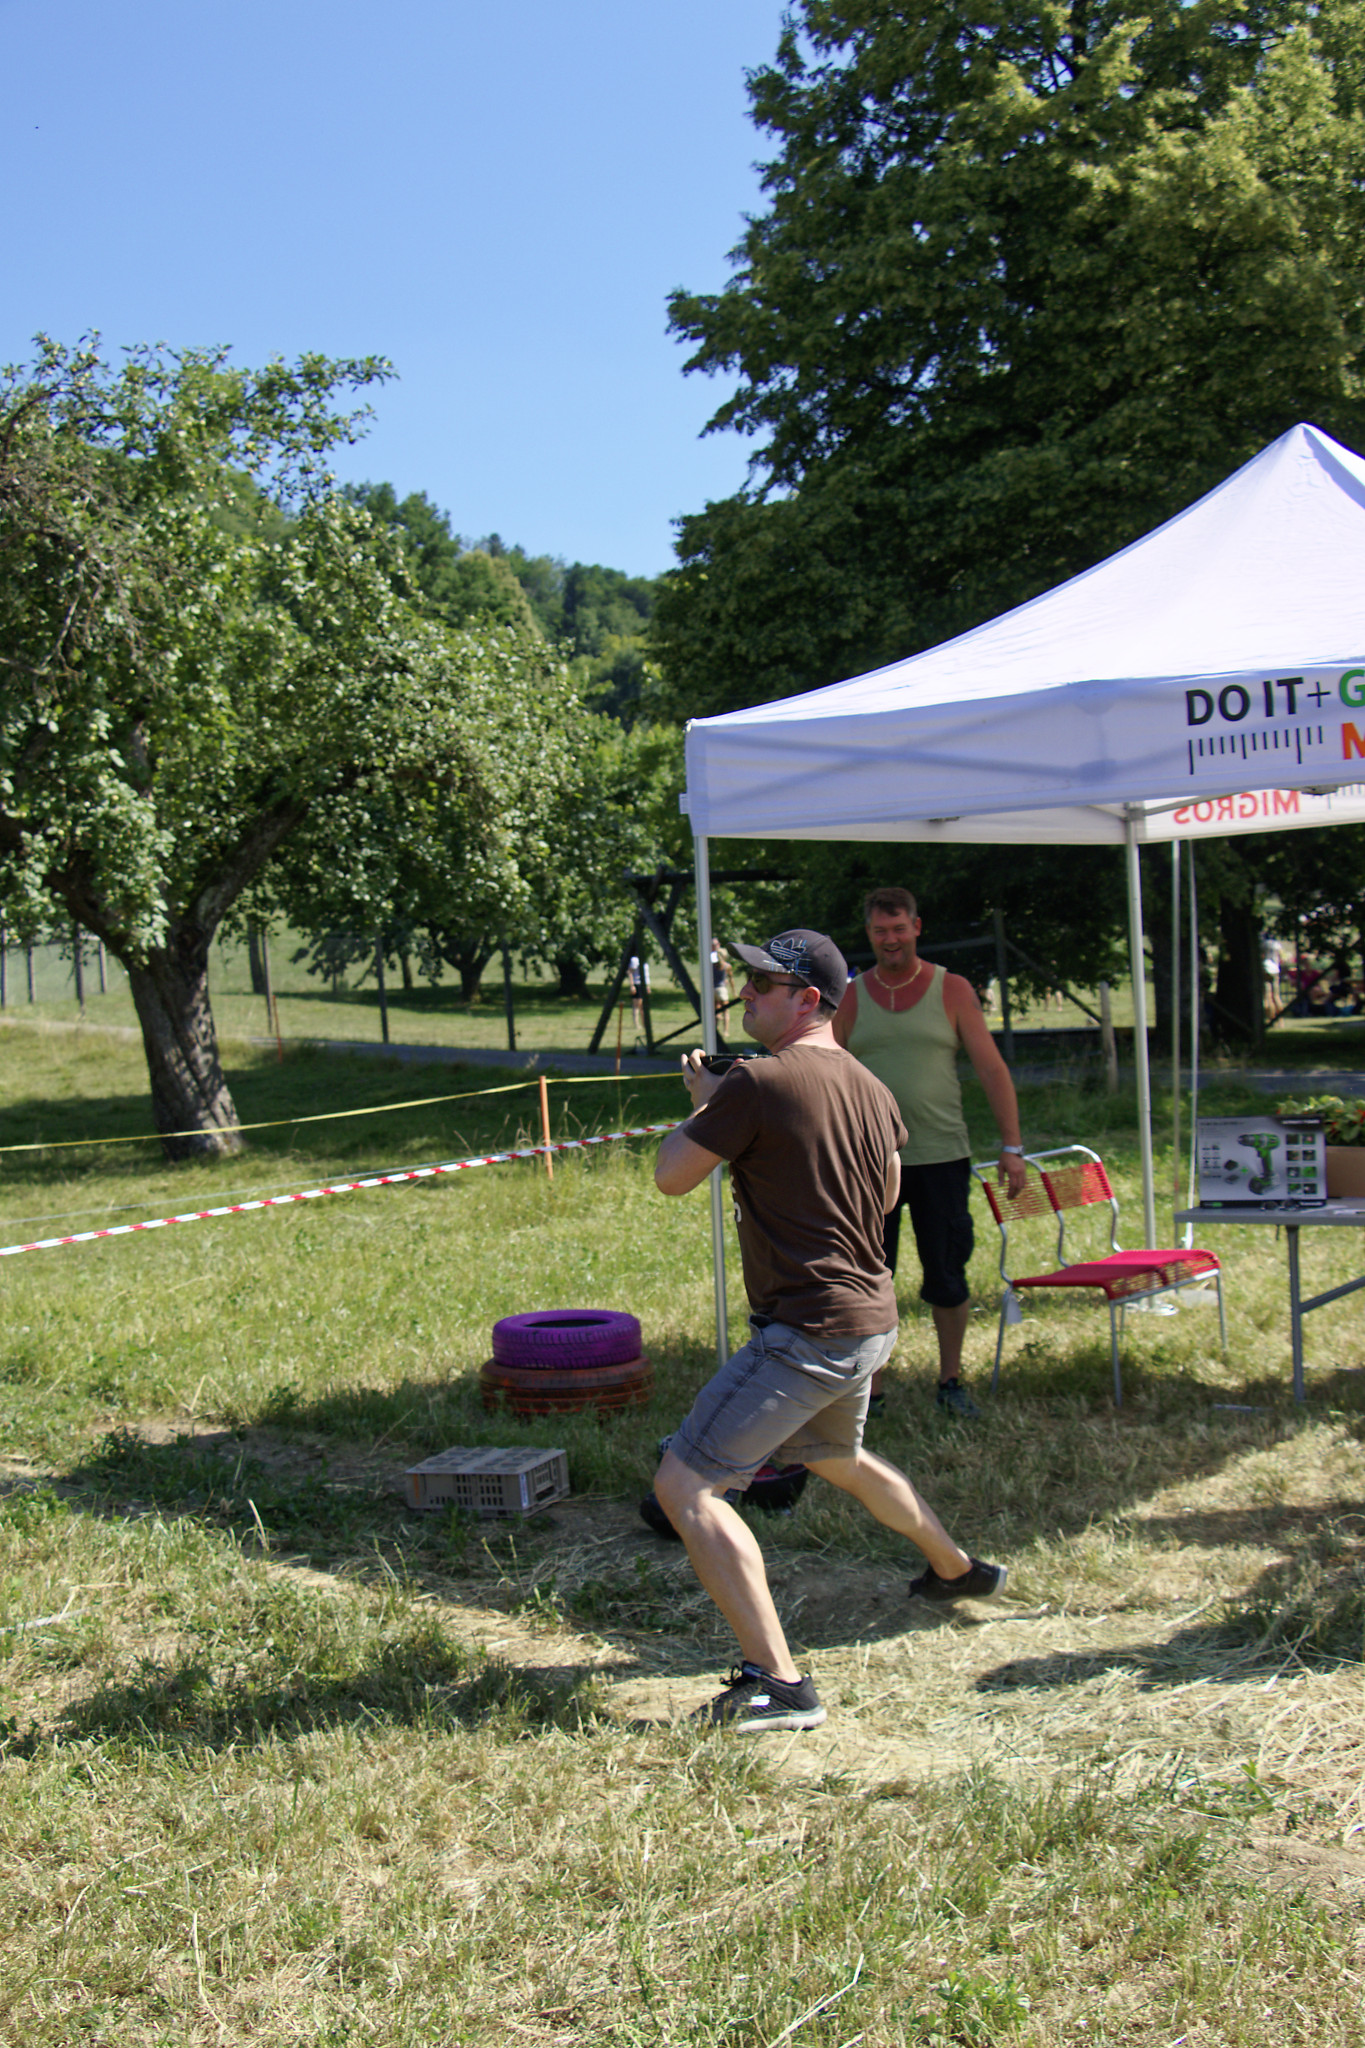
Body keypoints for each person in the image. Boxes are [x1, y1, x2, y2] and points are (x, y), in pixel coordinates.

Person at [652, 927, 1007, 1733]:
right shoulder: (871, 1086)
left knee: (686, 1486)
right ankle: (954, 1569)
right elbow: (885, 1196)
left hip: (806, 1328)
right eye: (746, 981)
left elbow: (672, 1176)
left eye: (762, 985)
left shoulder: (754, 1081)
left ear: (807, 998)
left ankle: (778, 1684)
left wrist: (707, 1106)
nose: (745, 994)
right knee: (834, 1457)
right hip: (867, 1320)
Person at [833, 887, 1027, 1418]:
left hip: (942, 1156)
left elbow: (991, 1069)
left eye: (899, 928)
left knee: (946, 1274)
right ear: (869, 934)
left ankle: (951, 1381)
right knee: (870, 1278)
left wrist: (1012, 1147)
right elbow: (824, 1069)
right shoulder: (851, 997)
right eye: (880, 931)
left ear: (917, 927)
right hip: (870, 1164)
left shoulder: (952, 989)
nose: (890, 940)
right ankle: (869, 1389)